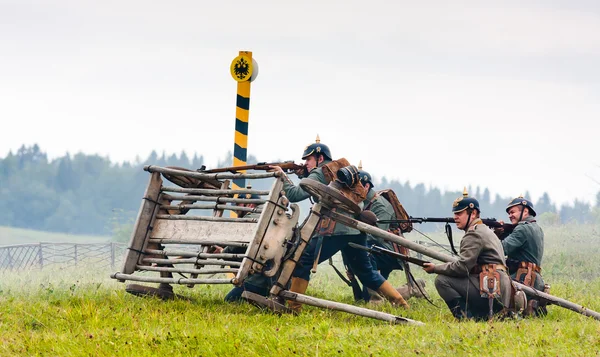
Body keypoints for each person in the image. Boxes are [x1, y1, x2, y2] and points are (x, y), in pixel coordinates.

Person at [270, 136, 410, 312]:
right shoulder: (334, 169)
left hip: (335, 229)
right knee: (366, 271)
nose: (305, 163)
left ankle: (294, 307)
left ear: (320, 159)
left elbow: (295, 195)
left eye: (308, 159)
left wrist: (282, 176)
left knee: (302, 260)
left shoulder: (320, 171)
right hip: (354, 228)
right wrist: (303, 174)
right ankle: (401, 303)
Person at [423, 189, 511, 320]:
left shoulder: (474, 233)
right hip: (498, 286)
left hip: (492, 288)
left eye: (459, 213)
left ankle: (466, 319)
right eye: (455, 213)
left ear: (473, 213)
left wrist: (435, 268)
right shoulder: (484, 230)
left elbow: (462, 267)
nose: (455, 217)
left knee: (442, 280)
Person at [355, 168, 426, 303]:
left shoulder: (380, 205)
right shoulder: (362, 202)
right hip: (378, 248)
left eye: (356, 187)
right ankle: (413, 288)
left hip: (390, 250)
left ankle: (376, 301)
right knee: (367, 295)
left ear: (366, 186)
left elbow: (377, 235)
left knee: (364, 253)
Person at [500, 196, 546, 315]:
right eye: (509, 213)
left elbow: (502, 249)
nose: (510, 216)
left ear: (525, 211)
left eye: (513, 212)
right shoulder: (536, 227)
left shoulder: (522, 229)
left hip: (522, 278)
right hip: (534, 279)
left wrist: (492, 236)